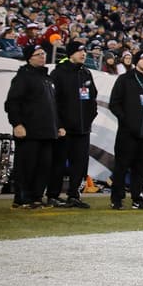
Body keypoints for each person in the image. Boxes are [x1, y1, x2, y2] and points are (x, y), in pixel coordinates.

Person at [4, 44, 61, 209]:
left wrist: (57, 125)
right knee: (26, 165)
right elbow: (12, 103)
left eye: (43, 53)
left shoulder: (47, 78)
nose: (42, 56)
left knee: (43, 166)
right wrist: (17, 124)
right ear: (29, 57)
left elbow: (53, 106)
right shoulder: (23, 77)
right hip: (29, 130)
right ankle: (22, 197)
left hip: (47, 131)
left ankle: (36, 196)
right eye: (38, 54)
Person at [108, 51, 143, 210]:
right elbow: (114, 103)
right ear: (136, 62)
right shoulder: (125, 79)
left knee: (141, 168)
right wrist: (126, 120)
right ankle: (117, 198)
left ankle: (138, 198)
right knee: (121, 166)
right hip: (127, 133)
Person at [47, 39, 96, 208]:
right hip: (64, 129)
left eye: (85, 52)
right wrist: (59, 125)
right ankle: (53, 195)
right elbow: (52, 102)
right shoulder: (58, 73)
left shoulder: (86, 74)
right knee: (58, 163)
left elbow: (92, 99)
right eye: (79, 51)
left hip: (83, 129)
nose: (83, 54)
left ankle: (74, 195)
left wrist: (89, 119)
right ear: (70, 54)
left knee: (79, 164)